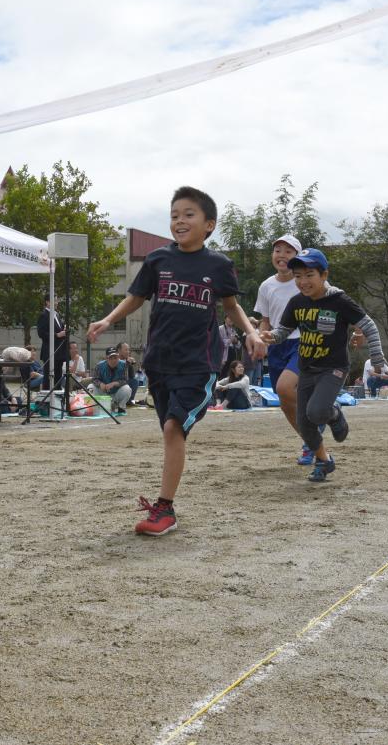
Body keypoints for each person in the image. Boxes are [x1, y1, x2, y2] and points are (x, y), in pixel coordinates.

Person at [88, 186, 265, 536]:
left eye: (188, 215)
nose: (179, 221)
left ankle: (164, 509)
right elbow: (136, 298)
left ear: (209, 224)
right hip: (159, 363)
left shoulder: (219, 265)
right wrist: (108, 320)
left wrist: (251, 332)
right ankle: (166, 506)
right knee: (172, 431)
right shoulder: (158, 260)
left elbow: (231, 306)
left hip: (198, 364)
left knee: (173, 427)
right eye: (174, 215)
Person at [263, 248, 385, 482]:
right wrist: (273, 336)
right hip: (307, 368)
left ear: (324, 275)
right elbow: (285, 330)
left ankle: (335, 414)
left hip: (333, 368)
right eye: (298, 276)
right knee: (305, 425)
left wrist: (378, 360)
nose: (303, 281)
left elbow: (369, 326)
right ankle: (324, 461)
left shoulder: (340, 301)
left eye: (309, 275)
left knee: (317, 412)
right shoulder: (296, 302)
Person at [253, 234, 316, 466]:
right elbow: (266, 320)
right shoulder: (266, 286)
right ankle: (310, 441)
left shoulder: (306, 281)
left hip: (303, 341)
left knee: (284, 387)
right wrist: (261, 340)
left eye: (288, 251)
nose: (282, 255)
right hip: (278, 345)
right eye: (277, 250)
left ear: (297, 257)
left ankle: (318, 417)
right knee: (284, 399)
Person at [36, 297, 68, 389]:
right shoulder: (44, 315)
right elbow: (41, 333)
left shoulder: (57, 315)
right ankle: (47, 400)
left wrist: (63, 330)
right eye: (54, 300)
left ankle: (57, 398)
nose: (56, 303)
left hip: (59, 352)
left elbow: (59, 330)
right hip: (49, 351)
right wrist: (57, 335)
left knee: (58, 376)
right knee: (49, 377)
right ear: (47, 302)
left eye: (57, 300)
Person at [94, 348, 132, 414]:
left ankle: (121, 407)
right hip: (104, 393)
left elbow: (125, 380)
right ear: (106, 358)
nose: (113, 360)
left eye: (115, 358)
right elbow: (94, 379)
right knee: (91, 387)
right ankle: (99, 406)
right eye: (111, 358)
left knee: (127, 389)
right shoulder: (99, 366)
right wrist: (100, 384)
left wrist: (115, 383)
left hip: (116, 393)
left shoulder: (124, 365)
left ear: (118, 357)